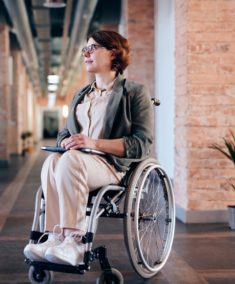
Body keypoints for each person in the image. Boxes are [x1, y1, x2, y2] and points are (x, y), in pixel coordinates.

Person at [24, 30, 154, 266]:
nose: (86, 53)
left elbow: (142, 144)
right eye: (85, 48)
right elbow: (64, 132)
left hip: (110, 165)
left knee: (70, 160)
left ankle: (74, 241)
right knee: (53, 160)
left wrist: (93, 143)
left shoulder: (134, 92)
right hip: (75, 163)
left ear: (113, 52)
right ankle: (55, 236)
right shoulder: (81, 94)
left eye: (92, 48)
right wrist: (65, 141)